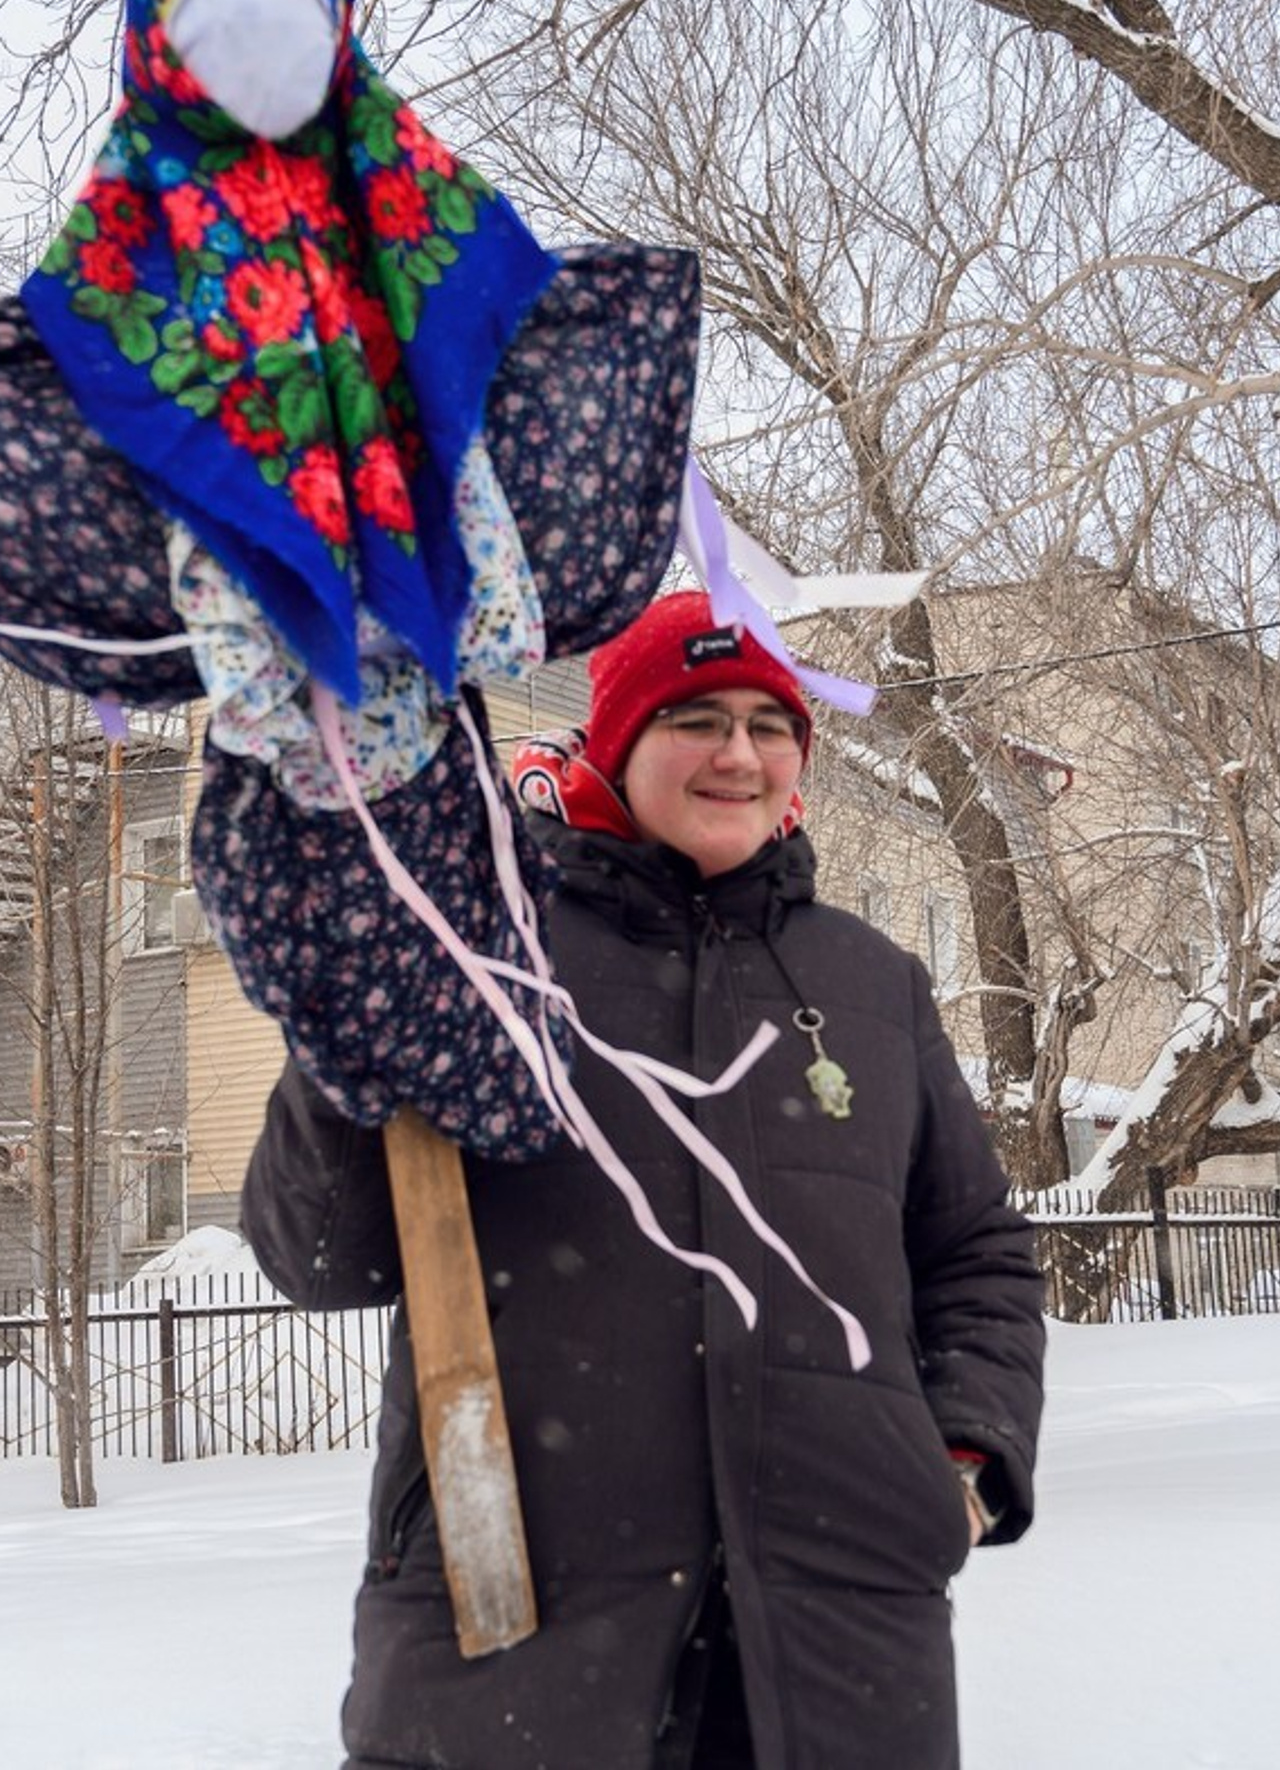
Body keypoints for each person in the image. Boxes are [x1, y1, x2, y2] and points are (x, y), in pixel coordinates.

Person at [241, 589, 1046, 1770]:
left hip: (834, 1650)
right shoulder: (483, 953)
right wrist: (341, 1046)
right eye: (695, 718)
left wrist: (960, 1464)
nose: (738, 753)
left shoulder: (872, 986)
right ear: (616, 741)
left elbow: (975, 1254)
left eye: (768, 724)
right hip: (505, 1638)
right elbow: (319, 1259)